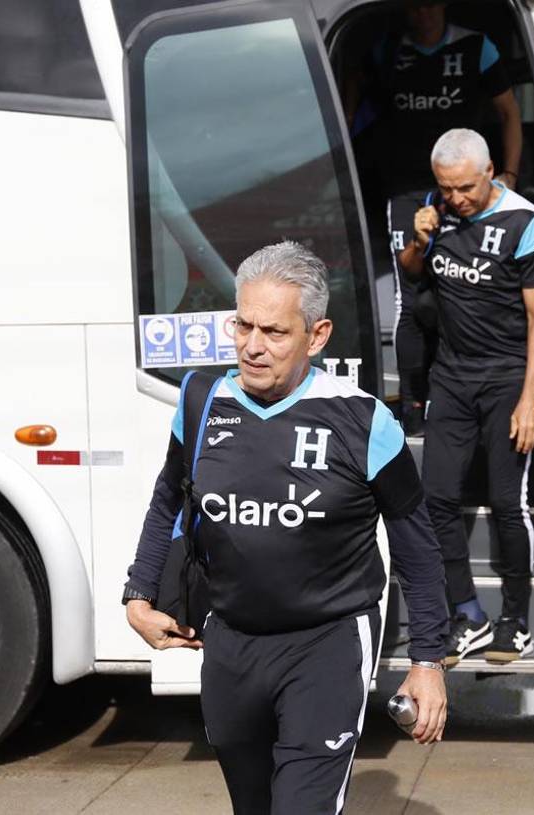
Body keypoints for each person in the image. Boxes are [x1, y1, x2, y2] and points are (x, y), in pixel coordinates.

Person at [122, 241, 449, 813]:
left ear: (316, 337)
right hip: (229, 643)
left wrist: (427, 662)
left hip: (327, 642)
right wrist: (139, 592)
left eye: (273, 332)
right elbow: (170, 499)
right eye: (243, 325)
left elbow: (417, 549)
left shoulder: (364, 421)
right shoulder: (201, 402)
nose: (252, 346)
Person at [396, 129, 534, 666]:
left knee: (509, 504)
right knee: (435, 499)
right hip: (452, 377)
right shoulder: (435, 211)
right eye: (446, 188)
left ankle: (516, 619)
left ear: (490, 172)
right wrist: (418, 241)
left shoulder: (525, 223)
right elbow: (414, 275)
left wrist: (530, 399)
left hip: (508, 377)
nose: (456, 198)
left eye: (464, 187)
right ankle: (468, 614)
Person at [345, 0, 524, 434]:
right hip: (405, 187)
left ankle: (475, 398)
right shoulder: (387, 51)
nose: (421, 14)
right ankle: (412, 406)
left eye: (428, 6)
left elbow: (509, 114)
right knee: (411, 297)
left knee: (470, 288)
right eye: (413, 7)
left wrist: (510, 175)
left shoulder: (475, 47)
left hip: (466, 189)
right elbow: (349, 100)